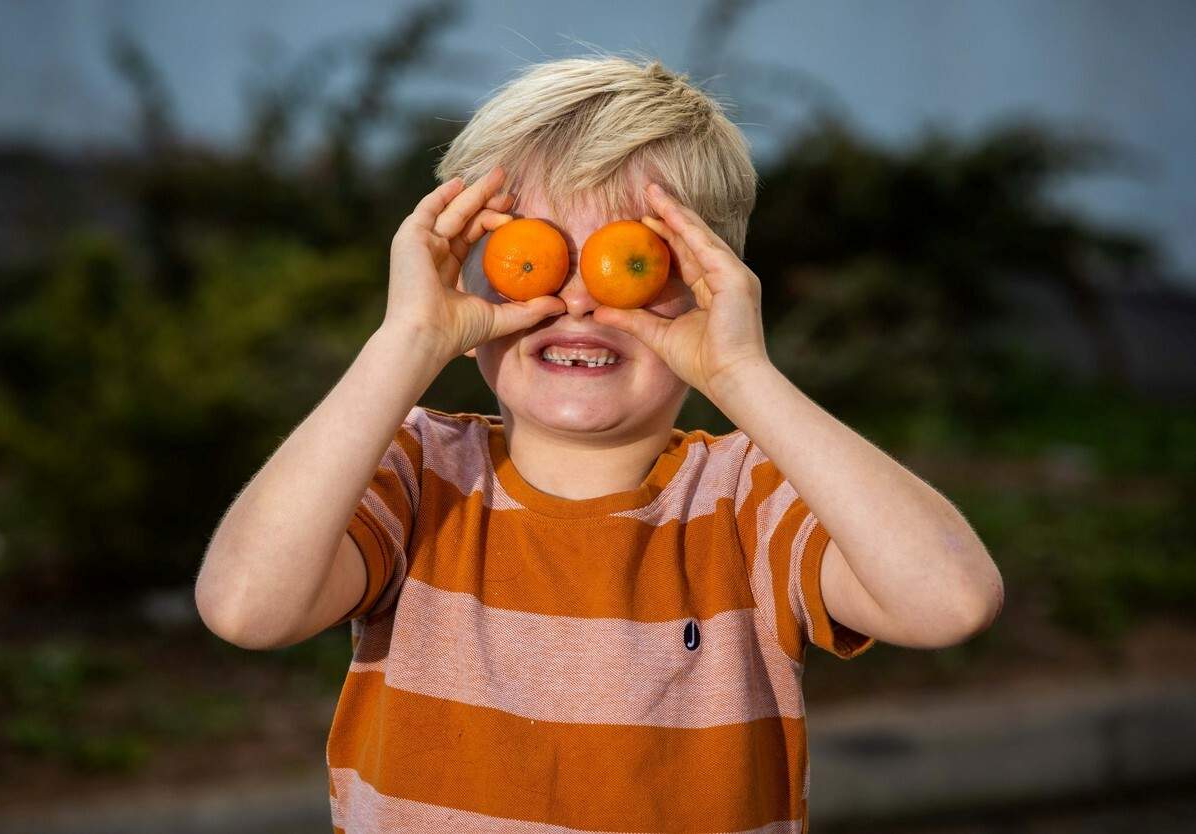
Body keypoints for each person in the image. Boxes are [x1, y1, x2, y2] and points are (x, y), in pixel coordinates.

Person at [196, 54, 1004, 834]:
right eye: (534, 259)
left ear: (709, 286)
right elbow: (245, 609)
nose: (579, 299)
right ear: (467, 279)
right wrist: (404, 339)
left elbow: (950, 602)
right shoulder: (418, 474)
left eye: (632, 261)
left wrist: (743, 374)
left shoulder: (748, 499)